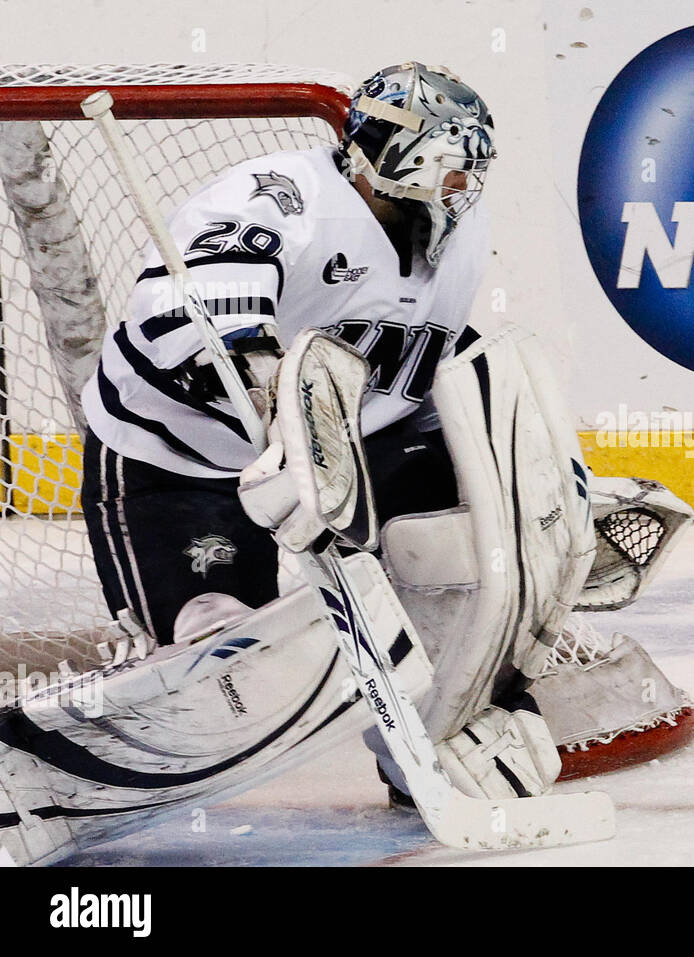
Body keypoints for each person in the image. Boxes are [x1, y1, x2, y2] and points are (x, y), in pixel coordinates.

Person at [78, 60, 565, 802]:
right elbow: (186, 308)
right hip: (178, 454)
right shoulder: (279, 196)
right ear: (381, 155)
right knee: (224, 650)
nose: (458, 186)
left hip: (360, 439)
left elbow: (421, 346)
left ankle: (438, 733)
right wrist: (275, 402)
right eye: (440, 163)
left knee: (457, 570)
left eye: (469, 167)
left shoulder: (464, 231)